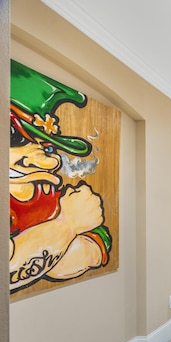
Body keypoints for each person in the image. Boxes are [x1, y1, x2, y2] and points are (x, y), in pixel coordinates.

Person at [9, 60, 111, 295]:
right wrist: (69, 225)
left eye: (46, 148)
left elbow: (91, 248)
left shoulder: (49, 196)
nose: (49, 160)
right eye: (15, 137)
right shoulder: (67, 208)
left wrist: (45, 247)